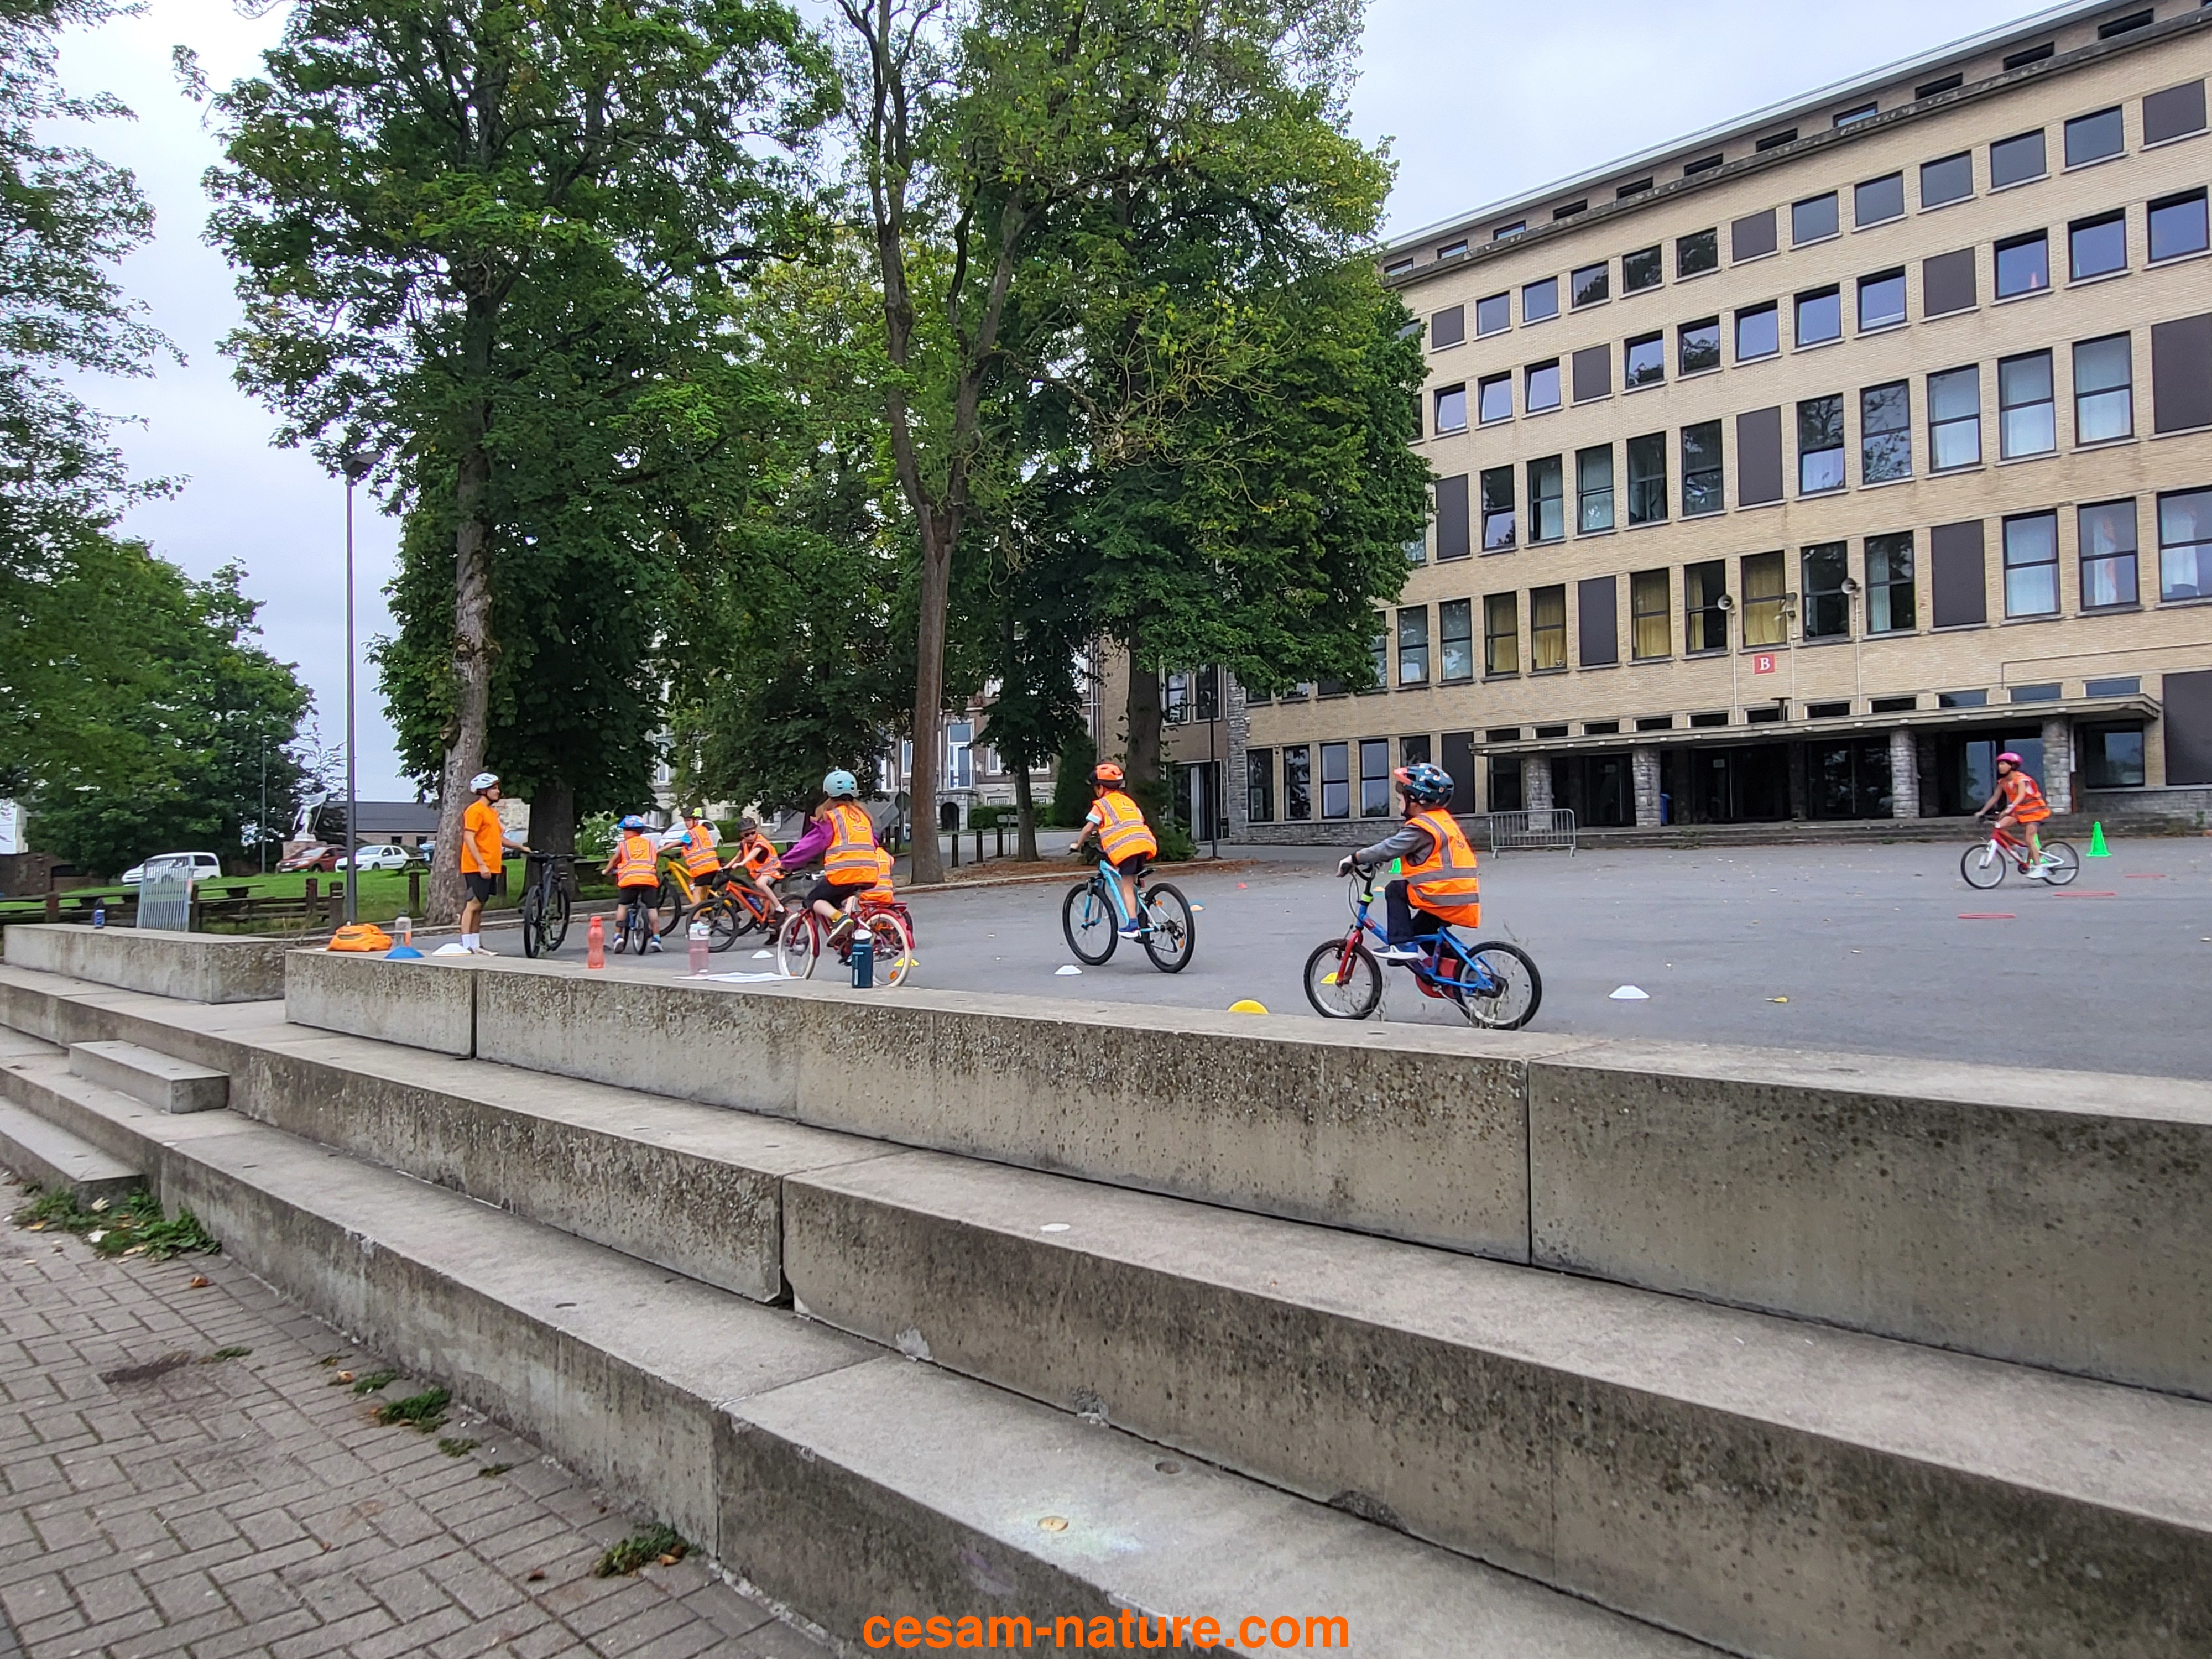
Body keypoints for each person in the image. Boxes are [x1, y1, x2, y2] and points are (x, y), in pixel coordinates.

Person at [1335, 762, 1480, 962]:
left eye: (1400, 799)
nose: (1398, 804)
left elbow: (1389, 848)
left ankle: (1402, 946)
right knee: (1421, 930)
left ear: (1414, 800)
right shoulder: (1442, 821)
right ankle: (1462, 970)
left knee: (1395, 890)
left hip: (1442, 894)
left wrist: (1355, 858)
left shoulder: (1421, 828)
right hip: (1461, 895)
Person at [779, 770, 886, 929]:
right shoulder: (864, 818)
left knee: (813, 900)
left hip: (843, 874)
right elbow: (874, 842)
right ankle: (851, 936)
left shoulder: (832, 818)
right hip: (869, 874)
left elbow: (809, 846)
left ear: (828, 795)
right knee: (835, 899)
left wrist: (785, 863)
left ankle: (840, 918)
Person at [1067, 761, 1157, 938]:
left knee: (1126, 885)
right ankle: (1142, 913)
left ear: (1100, 788)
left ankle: (1133, 926)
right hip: (1145, 843)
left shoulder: (1102, 805)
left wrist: (1077, 844)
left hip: (1126, 847)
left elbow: (1088, 828)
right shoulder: (1128, 801)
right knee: (1133, 879)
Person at [458, 772, 528, 956]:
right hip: (476, 866)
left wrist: (520, 847)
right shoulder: (475, 811)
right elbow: (469, 838)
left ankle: (475, 945)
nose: (498, 791)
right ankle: (466, 944)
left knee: (480, 905)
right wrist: (481, 864)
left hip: (491, 865)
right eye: (494, 788)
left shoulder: (491, 812)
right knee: (473, 904)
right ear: (483, 791)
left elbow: (498, 838)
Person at [1978, 750, 2057, 876]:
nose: (2000, 767)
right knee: (1999, 826)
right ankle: (2017, 847)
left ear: (2012, 766)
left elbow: (2021, 796)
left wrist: (2009, 808)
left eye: (2003, 764)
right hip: (2019, 811)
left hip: (2035, 811)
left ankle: (2040, 868)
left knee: (2029, 839)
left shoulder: (2021, 780)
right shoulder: (2003, 782)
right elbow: (1995, 798)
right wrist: (1982, 812)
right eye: (1999, 764)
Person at [601, 814, 664, 951]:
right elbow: (654, 862)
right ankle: (656, 939)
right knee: (652, 908)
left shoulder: (624, 845)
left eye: (624, 830)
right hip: (648, 879)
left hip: (629, 880)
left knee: (623, 906)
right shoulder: (649, 844)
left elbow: (614, 860)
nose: (623, 833)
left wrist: (607, 871)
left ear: (630, 831)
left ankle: (618, 936)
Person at [728, 817, 786, 917]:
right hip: (760, 874)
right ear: (742, 835)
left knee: (760, 884)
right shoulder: (744, 843)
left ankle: (779, 907)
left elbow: (754, 853)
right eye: (747, 835)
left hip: (773, 871)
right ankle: (771, 919)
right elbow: (738, 857)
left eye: (753, 833)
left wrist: (742, 863)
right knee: (762, 898)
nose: (751, 836)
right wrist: (725, 868)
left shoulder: (760, 842)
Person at [671, 808, 725, 889]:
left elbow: (677, 843)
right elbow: (697, 848)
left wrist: (659, 850)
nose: (686, 823)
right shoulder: (702, 830)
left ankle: (699, 899)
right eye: (685, 821)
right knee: (701, 887)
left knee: (697, 891)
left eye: (689, 820)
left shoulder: (692, 833)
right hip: (712, 865)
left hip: (702, 869)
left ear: (696, 820)